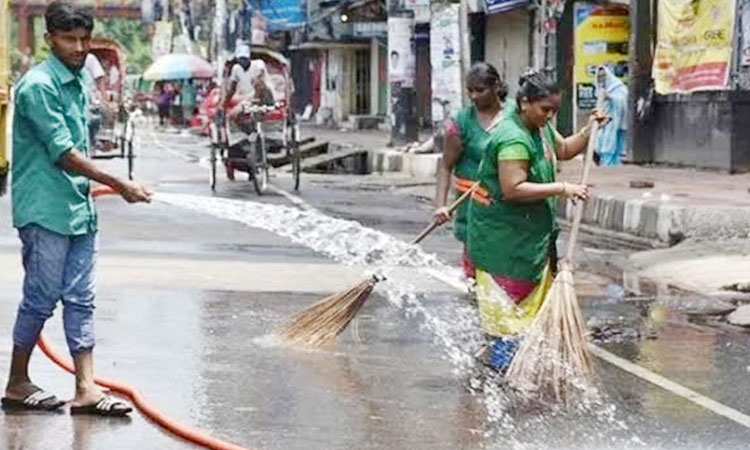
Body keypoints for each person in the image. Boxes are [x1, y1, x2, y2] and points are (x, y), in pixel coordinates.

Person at [2, 1, 152, 416]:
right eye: (69, 38)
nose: (79, 47)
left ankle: (86, 388)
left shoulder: (78, 78)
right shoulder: (37, 86)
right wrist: (119, 182)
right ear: (50, 39)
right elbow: (64, 153)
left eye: (84, 39)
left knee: (82, 298)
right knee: (41, 298)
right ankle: (16, 382)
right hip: (45, 208)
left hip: (78, 207)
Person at [467, 69, 604, 369]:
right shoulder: (513, 138)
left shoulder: (539, 129)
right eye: (545, 109)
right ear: (525, 103)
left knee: (524, 323)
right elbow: (512, 188)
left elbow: (564, 149)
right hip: (504, 246)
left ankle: (513, 372)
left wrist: (588, 130)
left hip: (529, 242)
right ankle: (502, 377)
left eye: (554, 110)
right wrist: (563, 188)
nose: (550, 116)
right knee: (507, 324)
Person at [433, 62, 508, 280]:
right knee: (478, 277)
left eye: (480, 90)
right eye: (470, 91)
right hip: (474, 211)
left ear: (495, 87)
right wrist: (441, 205)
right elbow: (446, 166)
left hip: (508, 209)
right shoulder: (462, 123)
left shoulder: (516, 114)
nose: (474, 96)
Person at [595, 65, 628, 166]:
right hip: (603, 118)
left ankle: (611, 162)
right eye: (599, 76)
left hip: (614, 119)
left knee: (611, 140)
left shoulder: (618, 87)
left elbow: (623, 99)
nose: (601, 79)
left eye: (603, 76)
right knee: (601, 139)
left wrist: (611, 97)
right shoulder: (600, 88)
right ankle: (603, 161)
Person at [83, 53, 105, 150]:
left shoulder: (90, 58)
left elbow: (99, 78)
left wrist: (102, 97)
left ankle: (93, 139)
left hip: (89, 95)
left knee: (96, 117)